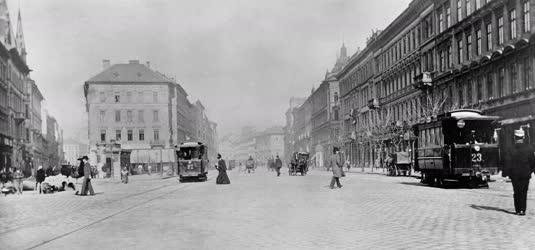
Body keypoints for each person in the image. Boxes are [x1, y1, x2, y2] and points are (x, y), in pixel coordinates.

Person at [503, 129, 535, 216]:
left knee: (516, 191)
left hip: (514, 174)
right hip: (525, 173)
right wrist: (531, 170)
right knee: (524, 192)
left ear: (514, 137)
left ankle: (517, 209)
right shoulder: (529, 148)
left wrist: (507, 172)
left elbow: (507, 161)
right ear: (523, 137)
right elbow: (533, 162)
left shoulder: (510, 148)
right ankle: (522, 210)